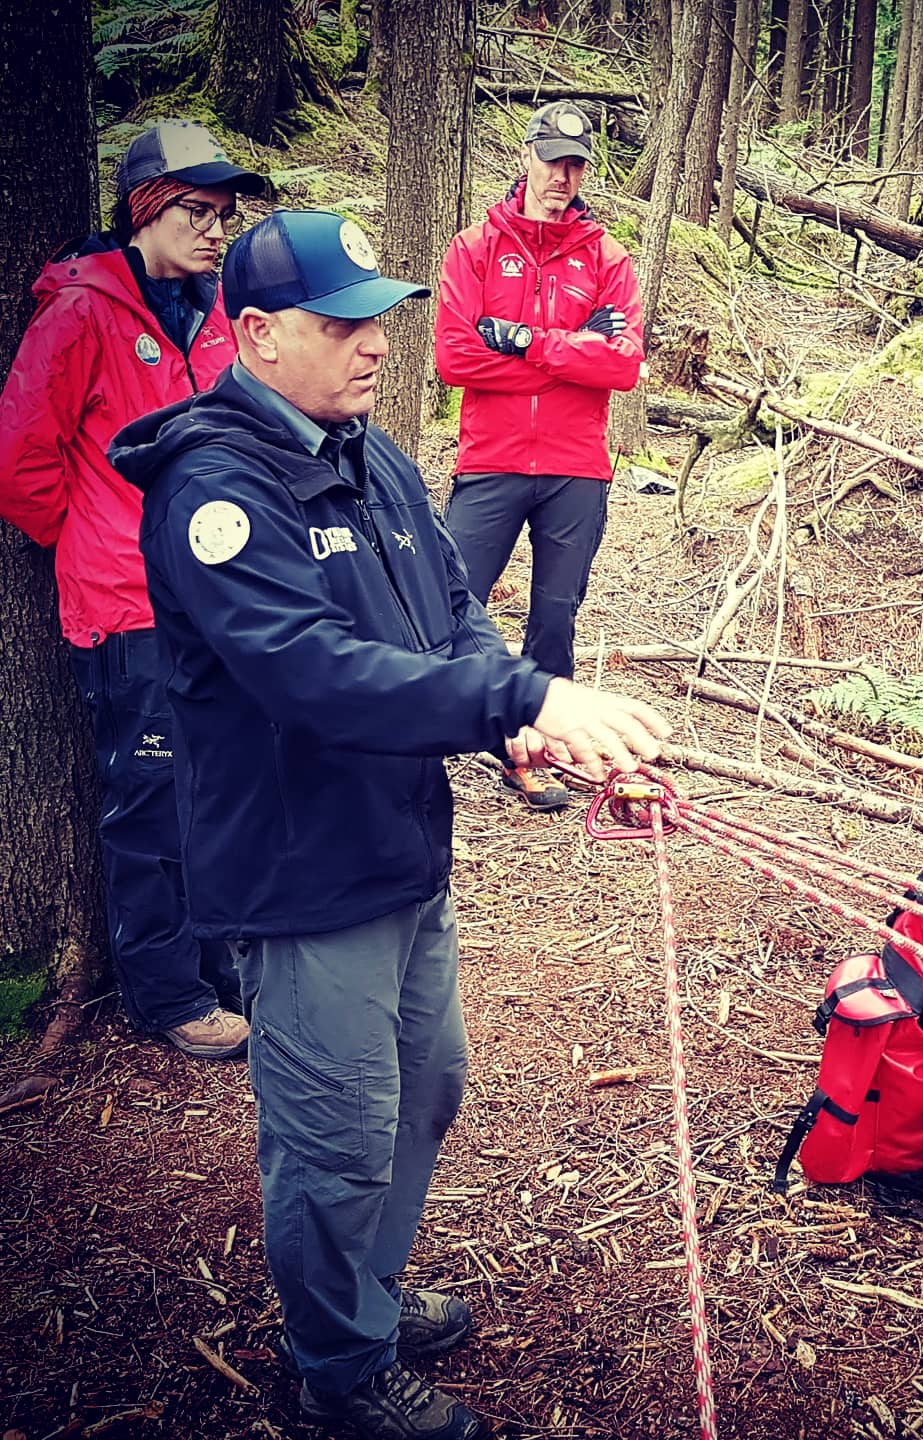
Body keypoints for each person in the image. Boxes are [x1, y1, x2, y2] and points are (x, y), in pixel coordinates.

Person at [107, 210, 670, 1440]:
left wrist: (517, 716)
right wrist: (518, 695)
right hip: (304, 874)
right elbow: (312, 673)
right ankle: (342, 1372)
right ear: (256, 338)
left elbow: (452, 613)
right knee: (339, 1135)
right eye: (340, 324)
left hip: (402, 847)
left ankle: (363, 1291)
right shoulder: (216, 491)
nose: (374, 346)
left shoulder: (372, 455)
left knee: (429, 1085)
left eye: (378, 320)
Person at [0, 118, 265, 1060]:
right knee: (151, 796)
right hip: (124, 603)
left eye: (223, 215)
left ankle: (226, 966)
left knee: (222, 783)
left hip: (217, 597)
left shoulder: (216, 310)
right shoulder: (80, 312)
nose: (213, 229)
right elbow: (23, 463)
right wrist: (91, 539)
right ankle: (163, 991)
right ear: (144, 208)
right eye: (197, 210)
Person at [434, 99, 644, 813]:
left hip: (576, 467)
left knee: (554, 619)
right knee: (444, 596)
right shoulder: (474, 249)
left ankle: (530, 752)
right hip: (491, 458)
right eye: (553, 158)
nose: (564, 174)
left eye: (577, 163)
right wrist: (572, 350)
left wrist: (524, 341)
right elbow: (455, 357)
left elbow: (623, 367)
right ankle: (413, 737)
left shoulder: (608, 258)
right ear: (527, 155)